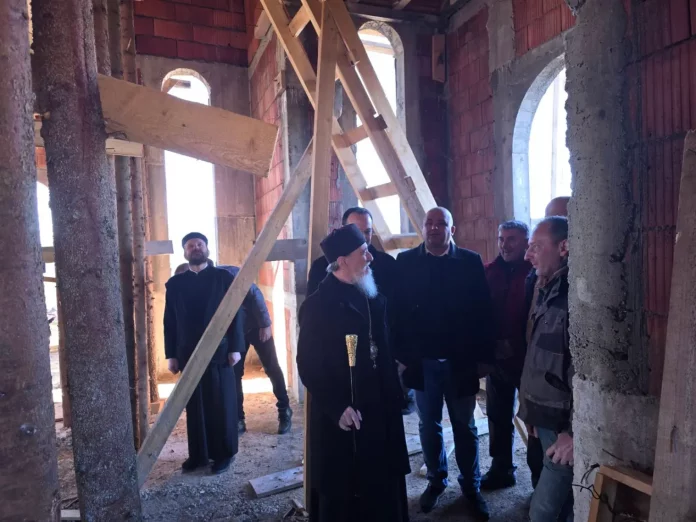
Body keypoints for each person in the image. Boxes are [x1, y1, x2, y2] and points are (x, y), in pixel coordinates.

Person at [297, 224, 410, 522]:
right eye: (363, 252)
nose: (370, 257)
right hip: (347, 411)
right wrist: (337, 407)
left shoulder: (372, 296)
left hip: (381, 408)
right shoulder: (317, 307)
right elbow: (308, 365)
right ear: (342, 261)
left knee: (383, 485)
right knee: (346, 489)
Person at [391, 207, 495, 520]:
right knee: (428, 425)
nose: (435, 228)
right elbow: (396, 313)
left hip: (460, 362)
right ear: (423, 228)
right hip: (422, 364)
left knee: (465, 425)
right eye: (429, 223)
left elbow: (483, 311)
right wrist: (402, 356)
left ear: (453, 229)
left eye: (441, 223)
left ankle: (471, 486)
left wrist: (484, 357)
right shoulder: (406, 262)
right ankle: (436, 481)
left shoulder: (470, 261)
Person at [307, 207, 415, 415]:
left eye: (367, 231)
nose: (363, 237)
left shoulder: (386, 265)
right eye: (357, 231)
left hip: (383, 362)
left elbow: (401, 311)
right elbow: (312, 341)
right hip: (342, 370)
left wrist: (401, 355)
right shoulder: (321, 271)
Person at [175, 261, 293, 435]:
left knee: (271, 367)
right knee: (235, 374)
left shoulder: (227, 273)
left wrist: (265, 324)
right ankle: (239, 419)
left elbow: (254, 291)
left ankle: (284, 411)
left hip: (256, 326)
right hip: (236, 334)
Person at [164, 232, 246, 475]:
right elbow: (170, 321)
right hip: (187, 352)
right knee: (195, 404)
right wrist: (171, 354)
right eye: (190, 245)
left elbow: (236, 313)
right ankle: (198, 455)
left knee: (221, 402)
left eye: (200, 244)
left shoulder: (223, 278)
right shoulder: (175, 284)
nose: (196, 248)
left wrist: (235, 347)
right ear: (185, 252)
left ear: (207, 248)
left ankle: (224, 454)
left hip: (220, 351)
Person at [520, 216, 573, 522]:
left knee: (543, 512)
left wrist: (573, 432)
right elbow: (537, 358)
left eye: (536, 247)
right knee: (560, 507)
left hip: (562, 425)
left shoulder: (576, 296)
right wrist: (530, 410)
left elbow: (587, 374)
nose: (528, 255)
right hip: (544, 417)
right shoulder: (544, 288)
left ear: (563, 247)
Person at [480, 220, 532, 490]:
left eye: (512, 239)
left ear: (526, 242)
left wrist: (517, 345)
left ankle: (539, 477)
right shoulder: (488, 272)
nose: (505, 245)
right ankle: (501, 469)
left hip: (528, 362)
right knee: (497, 416)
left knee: (533, 419)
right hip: (496, 359)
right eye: (501, 239)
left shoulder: (535, 272)